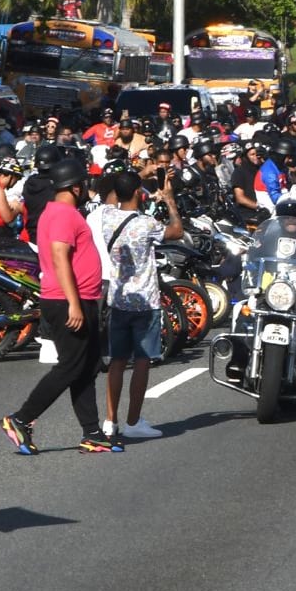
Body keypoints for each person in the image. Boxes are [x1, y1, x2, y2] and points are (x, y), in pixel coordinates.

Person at [0, 158, 118, 455]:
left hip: (74, 297)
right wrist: (75, 304)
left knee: (86, 367)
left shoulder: (55, 211)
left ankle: (92, 432)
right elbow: (59, 257)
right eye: (85, 185)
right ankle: (21, 419)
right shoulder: (64, 214)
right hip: (68, 299)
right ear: (76, 186)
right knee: (70, 367)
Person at [91, 171, 182, 440]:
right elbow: (177, 230)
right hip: (145, 302)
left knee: (117, 361)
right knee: (142, 361)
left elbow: (111, 199)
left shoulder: (106, 217)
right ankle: (133, 421)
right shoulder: (146, 223)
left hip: (117, 299)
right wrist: (169, 200)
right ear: (139, 193)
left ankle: (110, 421)